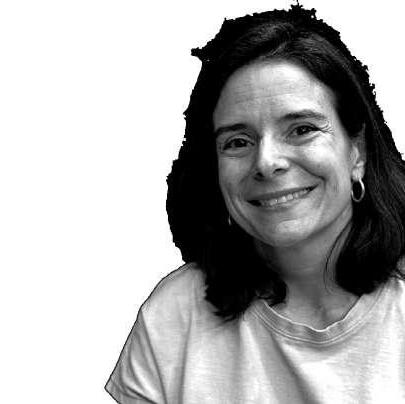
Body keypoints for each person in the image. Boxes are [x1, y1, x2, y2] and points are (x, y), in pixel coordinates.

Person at [105, 5, 405, 403]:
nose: (266, 162)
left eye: (301, 129)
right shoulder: (173, 316)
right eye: (238, 141)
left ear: (358, 152)